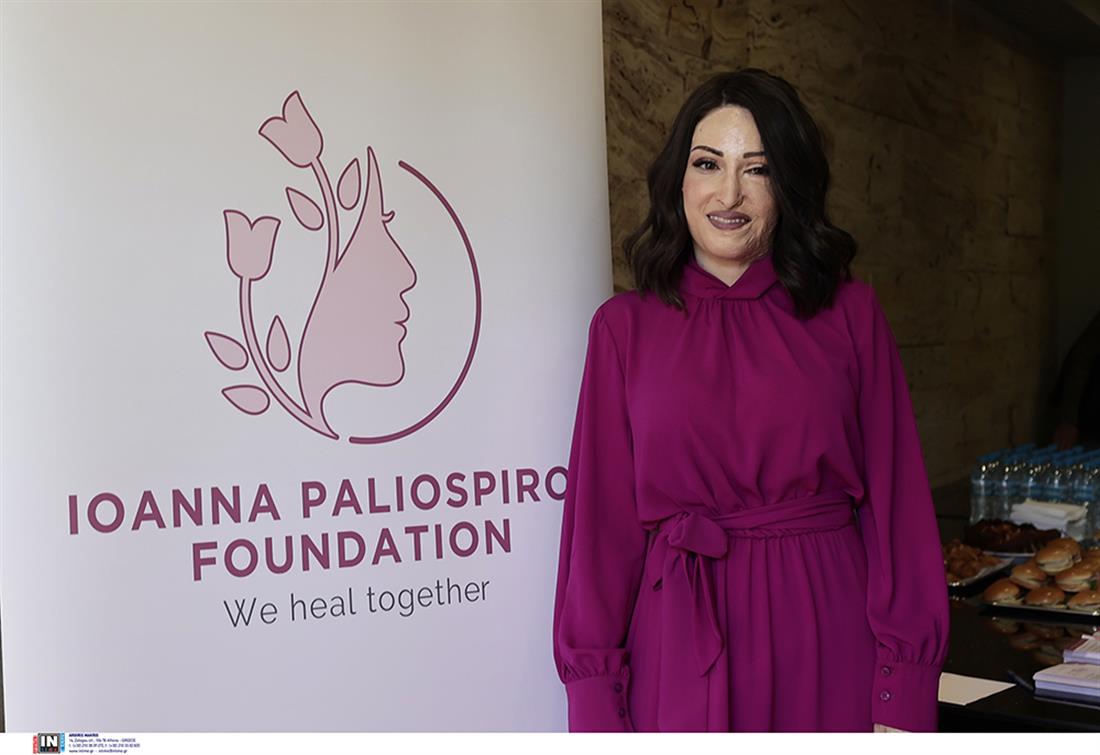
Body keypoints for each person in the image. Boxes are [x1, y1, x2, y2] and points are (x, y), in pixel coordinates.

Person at [552, 69, 949, 733]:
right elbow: (600, 531)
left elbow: (896, 502)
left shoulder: (849, 314)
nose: (729, 192)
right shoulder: (623, 328)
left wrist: (905, 687)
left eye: (757, 169)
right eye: (708, 163)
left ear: (788, 185)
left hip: (826, 635)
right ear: (678, 179)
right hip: (676, 638)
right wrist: (595, 701)